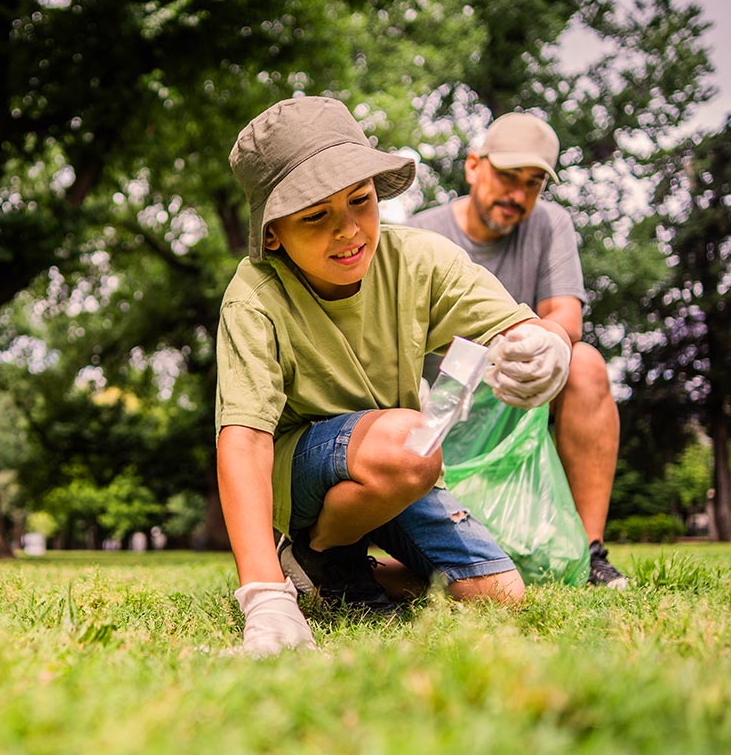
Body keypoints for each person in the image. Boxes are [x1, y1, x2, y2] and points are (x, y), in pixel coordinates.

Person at [217, 96, 574, 655]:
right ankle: (300, 563)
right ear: (272, 233)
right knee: (411, 442)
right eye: (315, 214)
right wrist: (262, 595)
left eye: (360, 200)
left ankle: (325, 574)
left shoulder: (420, 259)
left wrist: (544, 348)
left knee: (499, 594)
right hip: (308, 473)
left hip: (395, 471)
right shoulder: (254, 297)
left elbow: (516, 327)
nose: (348, 230)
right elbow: (244, 439)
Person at [405, 112, 629, 589]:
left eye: (533, 184)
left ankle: (590, 553)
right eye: (508, 177)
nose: (519, 195)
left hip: (519, 388)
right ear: (472, 167)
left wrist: (533, 344)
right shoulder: (423, 233)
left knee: (586, 363)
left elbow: (566, 316)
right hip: (438, 404)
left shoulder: (550, 224)